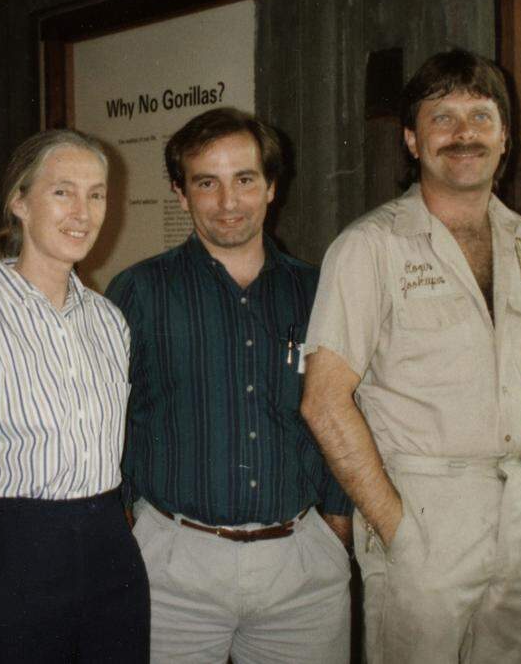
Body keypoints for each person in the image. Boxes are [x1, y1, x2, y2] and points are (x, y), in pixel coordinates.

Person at [301, 48, 521, 664]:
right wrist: (396, 527)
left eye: (481, 115)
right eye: (442, 116)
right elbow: (323, 399)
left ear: (505, 138)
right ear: (412, 141)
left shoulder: (518, 237)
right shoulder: (370, 247)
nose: (463, 133)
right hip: (424, 511)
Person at [106, 107, 353, 664]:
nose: (228, 202)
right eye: (206, 183)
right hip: (172, 572)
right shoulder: (139, 292)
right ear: (180, 193)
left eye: (245, 180)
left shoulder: (320, 292)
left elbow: (347, 409)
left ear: (271, 187)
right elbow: (108, 421)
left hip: (301, 571)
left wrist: (334, 527)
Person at [0, 129, 148, 663]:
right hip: (11, 559)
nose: (83, 211)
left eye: (96, 194)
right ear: (19, 202)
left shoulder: (109, 321)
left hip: (110, 552)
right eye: (63, 192)